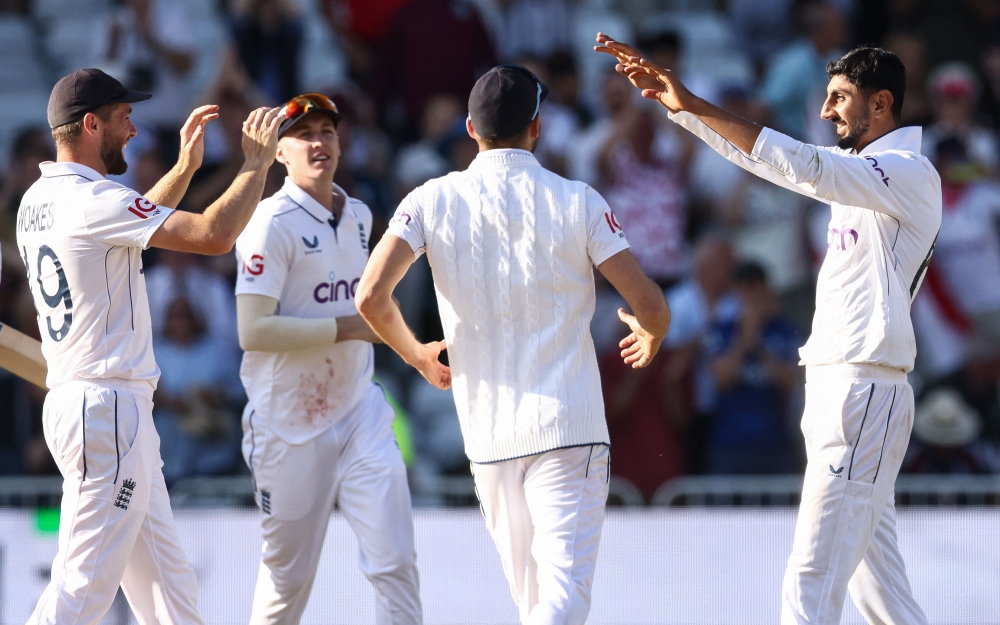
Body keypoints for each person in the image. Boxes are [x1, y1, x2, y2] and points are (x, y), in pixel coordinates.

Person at [597, 33, 939, 625]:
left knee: (808, 582)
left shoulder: (908, 171)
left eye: (839, 98)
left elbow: (801, 167)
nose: (827, 111)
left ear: (881, 104)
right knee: (879, 592)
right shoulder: (864, 174)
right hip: (844, 390)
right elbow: (785, 168)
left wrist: (696, 104)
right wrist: (680, 111)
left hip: (863, 392)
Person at [356, 65, 670, 624]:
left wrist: (417, 354)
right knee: (559, 599)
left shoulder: (430, 198)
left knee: (537, 604)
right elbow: (650, 305)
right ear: (539, 127)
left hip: (489, 431)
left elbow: (371, 297)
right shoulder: (579, 200)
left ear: (471, 129)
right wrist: (652, 330)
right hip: (569, 425)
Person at [17, 68, 281, 624]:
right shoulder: (92, 200)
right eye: (123, 118)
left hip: (91, 405)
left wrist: (185, 170)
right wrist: (254, 165)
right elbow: (213, 235)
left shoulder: (39, 199)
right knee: (82, 588)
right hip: (108, 410)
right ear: (91, 124)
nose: (134, 130)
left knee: (170, 592)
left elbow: (128, 231)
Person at [234, 93, 421, 625]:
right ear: (280, 153)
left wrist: (416, 354)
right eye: (304, 134)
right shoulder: (269, 222)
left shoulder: (360, 215)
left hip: (358, 408)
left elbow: (373, 310)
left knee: (397, 562)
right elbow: (253, 331)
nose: (319, 143)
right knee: (287, 584)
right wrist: (348, 329)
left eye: (328, 132)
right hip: (287, 424)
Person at [704, 262, 801, 474]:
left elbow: (790, 382)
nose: (753, 296)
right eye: (746, 289)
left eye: (757, 288)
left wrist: (758, 344)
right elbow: (722, 380)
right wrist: (743, 340)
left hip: (775, 445)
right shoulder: (721, 330)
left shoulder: (784, 330)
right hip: (730, 446)